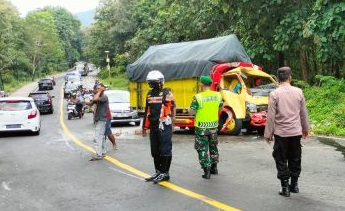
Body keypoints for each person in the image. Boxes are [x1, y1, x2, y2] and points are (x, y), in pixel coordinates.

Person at [264, 66, 309, 197]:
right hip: (296, 132)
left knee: (281, 159)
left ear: (278, 79)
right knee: (295, 158)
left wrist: (268, 134)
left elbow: (271, 116)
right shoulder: (299, 92)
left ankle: (285, 188)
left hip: (281, 133)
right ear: (290, 78)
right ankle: (294, 185)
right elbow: (303, 113)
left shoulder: (274, 94)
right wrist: (305, 128)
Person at [142, 70, 175, 183]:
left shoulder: (167, 94)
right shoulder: (149, 94)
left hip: (164, 125)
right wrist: (144, 127)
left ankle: (165, 173)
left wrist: (173, 124)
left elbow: (173, 108)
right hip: (154, 126)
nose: (153, 84)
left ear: (161, 82)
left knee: (165, 149)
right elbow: (147, 111)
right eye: (151, 82)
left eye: (155, 82)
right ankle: (158, 172)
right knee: (155, 150)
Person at [189, 76, 223, 179]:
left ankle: (206, 171)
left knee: (202, 149)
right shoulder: (218, 95)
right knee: (213, 146)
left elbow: (192, 112)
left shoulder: (198, 97)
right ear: (211, 84)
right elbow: (221, 108)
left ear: (202, 84)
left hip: (201, 128)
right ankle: (214, 168)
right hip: (213, 126)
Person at [88, 83, 109, 161]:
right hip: (99, 120)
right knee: (101, 137)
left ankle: (98, 154)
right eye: (97, 89)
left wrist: (99, 91)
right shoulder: (100, 97)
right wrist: (84, 102)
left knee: (97, 138)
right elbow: (91, 103)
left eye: (99, 89)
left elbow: (95, 99)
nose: (97, 90)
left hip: (101, 120)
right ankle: (102, 152)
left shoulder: (104, 97)